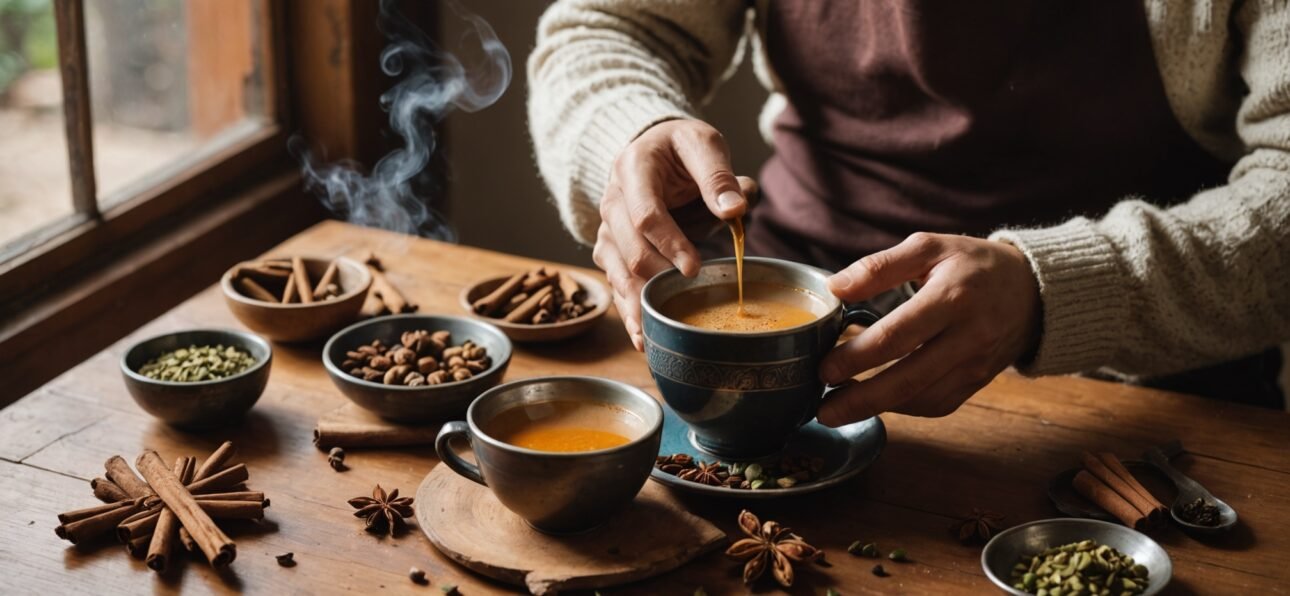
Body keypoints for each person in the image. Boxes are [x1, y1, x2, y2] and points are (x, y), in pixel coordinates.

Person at [526, 0, 1290, 424]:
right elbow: (612, 26)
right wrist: (628, 137)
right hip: (799, 337)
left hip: (1138, 389)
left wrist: (1058, 291)